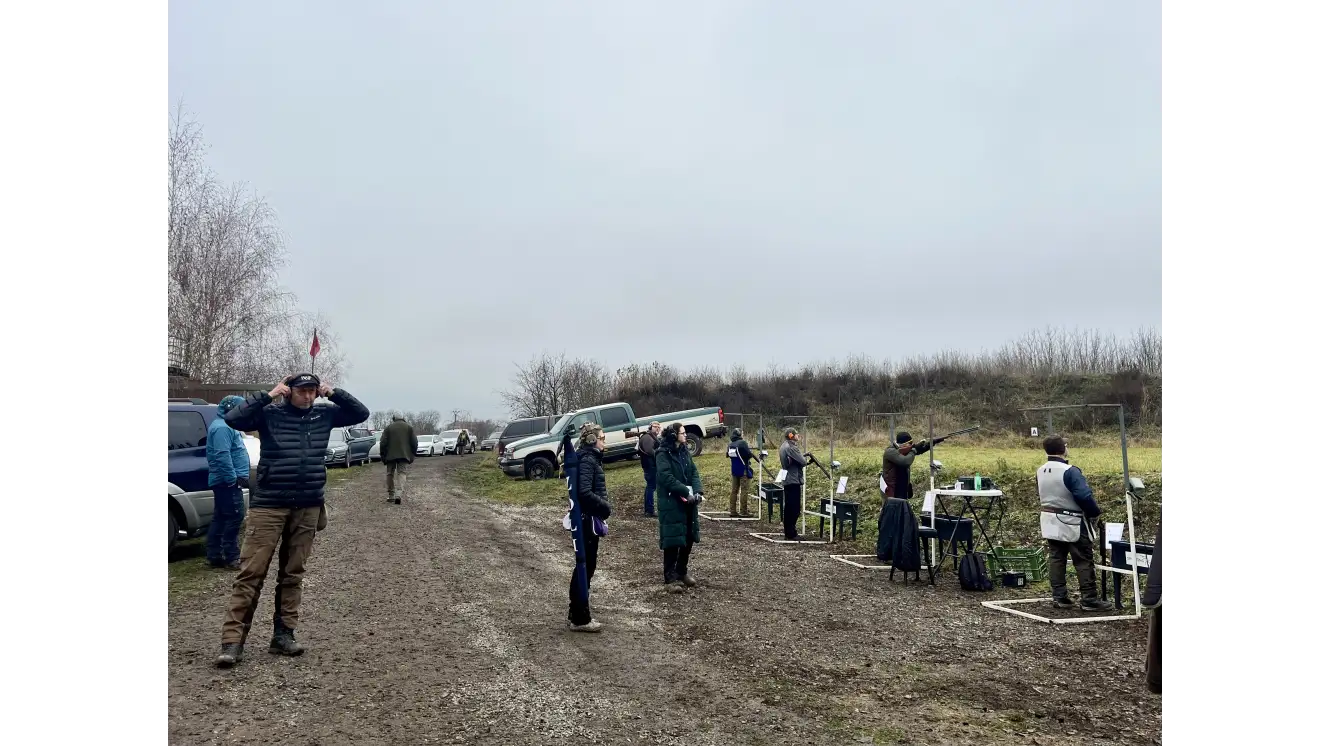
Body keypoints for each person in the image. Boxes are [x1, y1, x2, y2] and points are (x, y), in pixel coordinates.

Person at [214, 373, 371, 668]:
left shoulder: (325, 414)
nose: (308, 396)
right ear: (289, 391)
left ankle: (284, 635)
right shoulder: (269, 414)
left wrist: (334, 392)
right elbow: (233, 418)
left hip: (308, 504)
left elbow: (361, 413)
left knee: (293, 573)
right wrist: (268, 394)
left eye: (312, 391)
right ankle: (232, 642)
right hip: (269, 505)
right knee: (251, 573)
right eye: (302, 391)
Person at [1036, 436, 1112, 611]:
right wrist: (1095, 512)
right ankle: (1089, 599)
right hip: (1072, 520)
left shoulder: (1040, 470)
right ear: (1063, 449)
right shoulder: (1070, 471)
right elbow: (1084, 496)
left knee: (1056, 558)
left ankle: (1059, 597)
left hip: (1049, 518)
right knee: (1083, 559)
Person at [569, 423, 613, 632]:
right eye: (602, 438)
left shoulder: (590, 458)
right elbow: (585, 492)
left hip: (587, 520)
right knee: (585, 567)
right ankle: (580, 618)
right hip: (587, 521)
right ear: (592, 440)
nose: (604, 441)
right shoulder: (588, 460)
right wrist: (605, 507)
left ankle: (577, 614)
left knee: (586, 566)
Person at [656, 422, 703, 592]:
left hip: (688, 501)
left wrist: (697, 491)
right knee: (672, 539)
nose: (685, 435)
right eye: (682, 433)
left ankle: (681, 571)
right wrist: (684, 491)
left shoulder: (684, 451)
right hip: (671, 501)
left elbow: (693, 472)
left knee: (688, 536)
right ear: (673, 435)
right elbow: (666, 477)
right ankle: (669, 578)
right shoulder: (662, 454)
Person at [205, 395, 250, 570]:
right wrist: (232, 479)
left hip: (226, 481)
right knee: (234, 516)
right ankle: (231, 556)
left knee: (221, 518)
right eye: (241, 409)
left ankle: (214, 555)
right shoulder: (223, 428)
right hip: (227, 482)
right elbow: (222, 455)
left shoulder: (227, 425)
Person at [378, 413, 417, 504]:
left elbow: (382, 443)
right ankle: (398, 494)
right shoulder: (409, 428)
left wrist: (383, 455)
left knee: (389, 474)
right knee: (402, 473)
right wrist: (412, 455)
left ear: (394, 418)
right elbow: (414, 443)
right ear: (403, 418)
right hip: (404, 455)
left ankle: (391, 495)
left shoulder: (388, 428)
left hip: (390, 456)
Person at [881, 431, 933, 500]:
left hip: (902, 488)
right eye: (910, 443)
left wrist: (931, 443)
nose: (911, 445)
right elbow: (905, 461)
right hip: (892, 491)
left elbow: (919, 450)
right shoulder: (890, 451)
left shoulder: (904, 451)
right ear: (903, 444)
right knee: (894, 506)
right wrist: (913, 451)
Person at [778, 427, 810, 540]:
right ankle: (791, 533)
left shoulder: (783, 446)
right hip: (793, 479)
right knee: (794, 508)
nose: (798, 436)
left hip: (787, 479)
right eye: (796, 434)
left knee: (788, 507)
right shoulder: (792, 447)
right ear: (791, 435)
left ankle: (788, 532)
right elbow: (803, 462)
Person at [726, 428, 758, 517]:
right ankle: (743, 511)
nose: (743, 435)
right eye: (742, 433)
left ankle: (732, 511)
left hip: (734, 470)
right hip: (743, 470)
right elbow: (748, 455)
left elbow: (727, 455)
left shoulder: (730, 445)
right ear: (739, 434)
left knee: (734, 491)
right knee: (744, 490)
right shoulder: (742, 443)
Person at [637, 421, 661, 517]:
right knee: (651, 487)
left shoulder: (649, 436)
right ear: (650, 427)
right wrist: (659, 455)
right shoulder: (648, 437)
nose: (657, 428)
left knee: (650, 487)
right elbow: (649, 451)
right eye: (655, 427)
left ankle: (649, 510)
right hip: (650, 466)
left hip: (649, 466)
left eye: (659, 427)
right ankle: (649, 510)